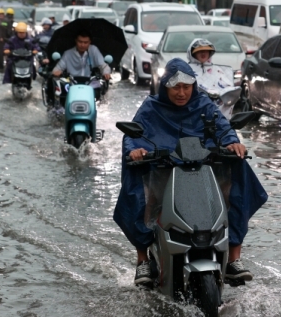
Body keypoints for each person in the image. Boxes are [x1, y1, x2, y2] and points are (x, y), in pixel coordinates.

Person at [113, 59, 268, 287]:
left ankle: (234, 258)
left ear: (193, 87)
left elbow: (223, 128)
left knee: (239, 168)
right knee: (136, 180)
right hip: (163, 169)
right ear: (165, 87)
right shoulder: (151, 107)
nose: (181, 93)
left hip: (201, 167)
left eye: (186, 87)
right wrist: (135, 151)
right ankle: (142, 259)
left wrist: (233, 144)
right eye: (176, 87)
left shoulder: (204, 105)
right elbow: (134, 135)